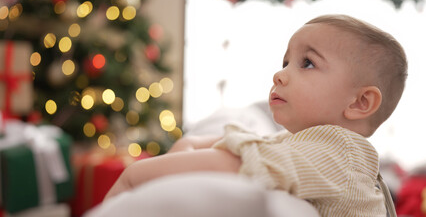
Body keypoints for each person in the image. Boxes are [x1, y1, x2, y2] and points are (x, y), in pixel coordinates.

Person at [104, 14, 408, 216]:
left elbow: (248, 161)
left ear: (360, 102)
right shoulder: (307, 146)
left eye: (308, 63)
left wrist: (136, 176)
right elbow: (259, 145)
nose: (279, 74)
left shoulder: (340, 151)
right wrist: (197, 143)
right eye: (286, 61)